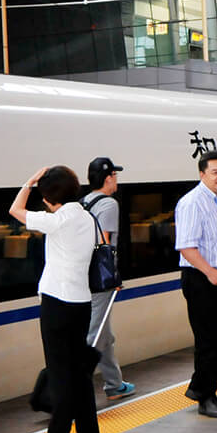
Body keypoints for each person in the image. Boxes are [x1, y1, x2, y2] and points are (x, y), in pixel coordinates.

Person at [11, 165, 100, 433]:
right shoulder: (86, 216)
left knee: (61, 373)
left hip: (57, 303)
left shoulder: (58, 220)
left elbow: (15, 210)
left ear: (48, 196)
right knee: (78, 371)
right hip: (80, 302)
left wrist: (29, 182)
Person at [175, 150, 217, 418]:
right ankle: (205, 395)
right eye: (215, 172)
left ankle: (200, 387)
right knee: (209, 340)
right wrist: (209, 270)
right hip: (201, 278)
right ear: (202, 174)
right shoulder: (192, 203)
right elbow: (186, 247)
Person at [83, 156, 135, 401]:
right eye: (115, 175)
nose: (117, 180)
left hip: (83, 276)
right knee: (94, 334)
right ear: (108, 178)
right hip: (99, 280)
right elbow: (103, 243)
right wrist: (112, 276)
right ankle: (73, 386)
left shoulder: (84, 202)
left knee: (104, 333)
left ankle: (114, 384)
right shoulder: (109, 204)